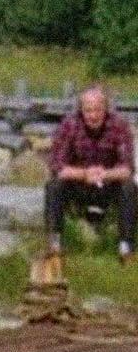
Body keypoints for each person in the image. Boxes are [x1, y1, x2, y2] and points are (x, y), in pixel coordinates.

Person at [46, 84, 136, 265]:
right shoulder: (69, 125)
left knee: (129, 187)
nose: (93, 116)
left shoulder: (119, 125)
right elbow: (57, 166)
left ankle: (126, 246)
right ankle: (55, 244)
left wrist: (105, 174)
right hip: (79, 184)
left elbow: (127, 168)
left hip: (108, 184)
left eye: (97, 110)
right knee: (54, 185)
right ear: (81, 110)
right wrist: (85, 173)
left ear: (105, 109)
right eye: (88, 110)